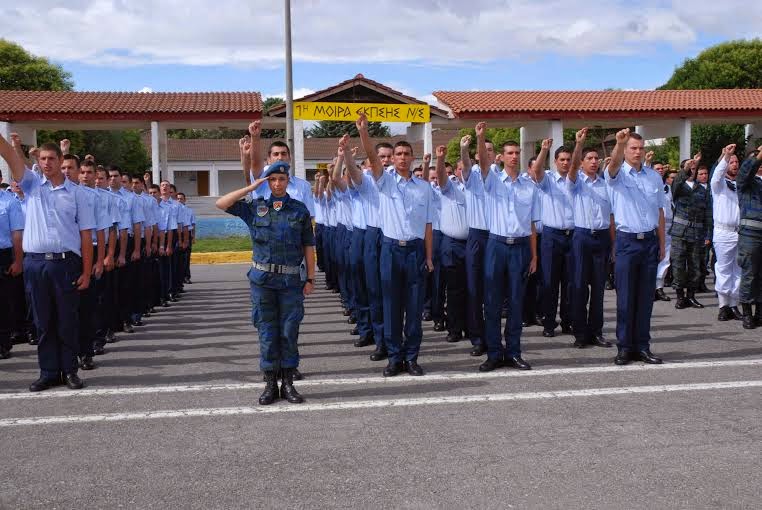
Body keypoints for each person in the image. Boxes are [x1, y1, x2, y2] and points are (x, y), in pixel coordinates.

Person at [0, 134, 95, 391]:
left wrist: (86, 272)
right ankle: (48, 372)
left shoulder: (77, 194)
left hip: (65, 264)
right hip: (35, 264)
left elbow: (86, 235)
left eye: (52, 158)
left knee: (66, 320)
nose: (47, 163)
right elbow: (9, 155)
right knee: (43, 321)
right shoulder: (31, 185)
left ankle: (69, 370)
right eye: (42, 159)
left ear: (61, 160)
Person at [216, 160, 315, 405]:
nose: (277, 183)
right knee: (267, 332)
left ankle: (288, 383)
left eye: (281, 179)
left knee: (289, 331)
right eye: (272, 179)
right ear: (267, 182)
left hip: (291, 280)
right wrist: (251, 187)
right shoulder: (255, 207)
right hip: (263, 281)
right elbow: (221, 203)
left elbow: (308, 247)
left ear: (287, 181)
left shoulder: (299, 210)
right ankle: (270, 383)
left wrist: (311, 278)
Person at [357, 112, 433, 377]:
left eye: (405, 153)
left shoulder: (424, 188)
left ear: (412, 158)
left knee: (413, 307)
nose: (401, 157)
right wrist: (364, 133)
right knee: (391, 306)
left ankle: (411, 358)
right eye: (398, 153)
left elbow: (428, 225)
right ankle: (394, 357)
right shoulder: (384, 180)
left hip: (414, 250)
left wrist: (429, 256)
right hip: (390, 249)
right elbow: (374, 158)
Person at [476, 122, 538, 371]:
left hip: (521, 248)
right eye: (509, 153)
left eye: (517, 153)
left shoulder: (529, 186)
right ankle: (493, 353)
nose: (514, 157)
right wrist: (480, 138)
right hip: (496, 245)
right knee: (491, 302)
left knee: (516, 302)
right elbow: (481, 162)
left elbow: (532, 224)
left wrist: (534, 255)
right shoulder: (492, 181)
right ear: (502, 157)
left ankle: (513, 352)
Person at [605, 129, 666, 365]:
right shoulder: (617, 174)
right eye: (633, 148)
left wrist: (661, 243)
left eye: (640, 148)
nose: (638, 152)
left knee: (644, 299)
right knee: (626, 298)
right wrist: (619, 144)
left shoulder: (654, 177)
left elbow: (660, 212)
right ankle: (624, 347)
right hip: (627, 242)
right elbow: (611, 168)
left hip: (649, 242)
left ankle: (642, 346)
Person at [566, 128, 614, 349]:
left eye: (596, 158)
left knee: (598, 289)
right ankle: (580, 333)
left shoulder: (606, 184)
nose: (594, 162)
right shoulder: (576, 182)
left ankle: (596, 332)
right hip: (582, 238)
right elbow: (573, 166)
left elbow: (611, 217)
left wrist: (612, 244)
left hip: (602, 238)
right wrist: (578, 145)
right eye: (590, 158)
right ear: (583, 162)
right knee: (579, 287)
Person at [528, 141, 575, 338]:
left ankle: (568, 321)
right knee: (549, 282)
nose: (565, 163)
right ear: (555, 162)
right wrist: (544, 150)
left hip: (572, 236)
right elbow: (536, 169)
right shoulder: (547, 180)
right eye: (562, 160)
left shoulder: (576, 180)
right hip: (551, 236)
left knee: (570, 283)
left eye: (568, 160)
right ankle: (549, 323)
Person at [337, 135, 373, 348]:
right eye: (365, 168)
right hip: (358, 234)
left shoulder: (386, 183)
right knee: (360, 284)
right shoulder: (358, 186)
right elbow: (338, 180)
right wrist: (346, 157)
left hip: (380, 236)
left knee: (377, 289)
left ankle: (380, 331)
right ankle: (365, 327)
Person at [435, 143, 470, 344]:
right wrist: (440, 158)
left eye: (467, 167)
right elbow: (440, 177)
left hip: (473, 244)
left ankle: (471, 327)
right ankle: (454, 328)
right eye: (460, 168)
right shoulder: (450, 188)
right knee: (454, 289)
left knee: (473, 289)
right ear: (456, 172)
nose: (464, 170)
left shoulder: (477, 189)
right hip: (453, 244)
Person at [670, 153, 711, 310]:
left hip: (697, 233)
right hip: (680, 232)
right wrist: (686, 168)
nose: (692, 171)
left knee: (695, 266)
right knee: (679, 265)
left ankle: (691, 296)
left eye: (694, 168)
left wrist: (708, 234)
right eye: (690, 168)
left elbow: (708, 213)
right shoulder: (679, 186)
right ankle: (680, 297)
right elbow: (677, 183)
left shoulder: (702, 189)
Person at [710, 144, 743, 321]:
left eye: (736, 161)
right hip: (723, 232)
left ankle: (733, 304)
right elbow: (716, 175)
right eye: (731, 162)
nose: (734, 164)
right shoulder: (719, 184)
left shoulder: (742, 184)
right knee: (723, 269)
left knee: (738, 270)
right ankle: (723, 305)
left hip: (740, 232)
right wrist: (725, 157)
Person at [736, 146, 762, 328]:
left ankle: (760, 313)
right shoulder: (746, 182)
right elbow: (747, 171)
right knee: (750, 274)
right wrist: (758, 155)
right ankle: (747, 312)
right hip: (750, 235)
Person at [0, 173, 24, 359]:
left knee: (3, 300)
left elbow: (17, 234)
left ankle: (3, 342)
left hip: (3, 255)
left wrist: (18, 260)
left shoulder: (10, 202)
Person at [655, 167, 675, 301]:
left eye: (662, 169)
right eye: (657, 169)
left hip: (668, 224)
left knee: (665, 257)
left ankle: (659, 287)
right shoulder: (649, 185)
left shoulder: (670, 188)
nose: (660, 171)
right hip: (653, 224)